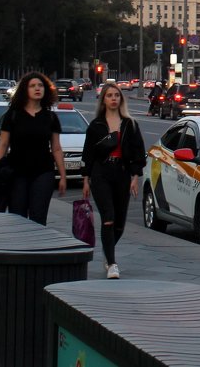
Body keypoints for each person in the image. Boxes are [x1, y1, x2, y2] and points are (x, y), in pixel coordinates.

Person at [82, 82, 147, 280]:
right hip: (101, 173)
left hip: (122, 174)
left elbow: (138, 153)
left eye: (116, 96)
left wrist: (135, 177)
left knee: (119, 223)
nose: (113, 99)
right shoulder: (96, 125)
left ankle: (108, 250)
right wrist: (86, 179)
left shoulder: (130, 124)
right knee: (108, 217)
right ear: (103, 100)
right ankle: (112, 263)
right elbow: (88, 154)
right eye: (109, 95)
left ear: (121, 99)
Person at [0, 72, 66, 225]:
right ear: (25, 90)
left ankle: (37, 248)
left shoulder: (51, 118)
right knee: (17, 217)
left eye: (40, 86)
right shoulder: (12, 115)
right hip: (17, 172)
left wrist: (63, 176)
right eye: (32, 86)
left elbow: (56, 148)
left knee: (38, 217)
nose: (37, 88)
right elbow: (4, 144)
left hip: (43, 172)